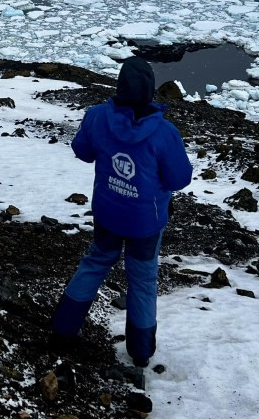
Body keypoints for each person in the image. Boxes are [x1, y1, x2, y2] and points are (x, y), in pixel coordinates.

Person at [50, 57, 192, 368]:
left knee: (96, 262)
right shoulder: (164, 133)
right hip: (145, 222)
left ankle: (62, 330)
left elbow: (82, 151)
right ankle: (140, 353)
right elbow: (179, 178)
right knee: (142, 280)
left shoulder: (98, 116)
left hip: (107, 212)